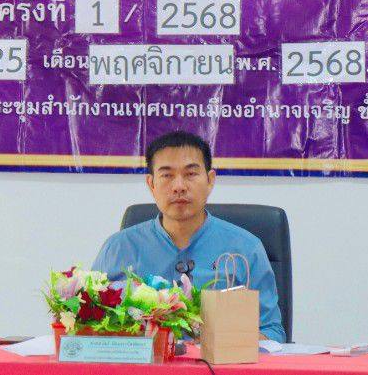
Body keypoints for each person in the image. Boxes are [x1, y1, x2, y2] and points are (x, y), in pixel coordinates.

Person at [92, 130, 286, 342]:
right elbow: (90, 325)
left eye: (191, 174)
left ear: (210, 180)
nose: (179, 187)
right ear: (151, 184)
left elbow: (272, 333)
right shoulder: (119, 247)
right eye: (167, 175)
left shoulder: (246, 248)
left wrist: (221, 342)